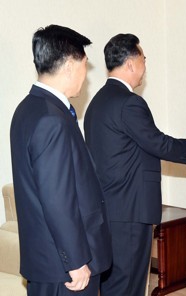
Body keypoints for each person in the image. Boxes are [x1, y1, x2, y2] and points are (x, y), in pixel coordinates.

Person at [84, 34, 186, 295]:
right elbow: (156, 142)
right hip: (130, 210)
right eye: (144, 59)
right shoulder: (129, 102)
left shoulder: (97, 102)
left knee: (114, 281)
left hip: (109, 208)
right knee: (129, 284)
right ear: (131, 63)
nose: (145, 67)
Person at [10, 24, 112, 295]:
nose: (85, 75)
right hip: (65, 269)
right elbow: (57, 199)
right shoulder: (51, 119)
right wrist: (77, 260)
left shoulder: (28, 109)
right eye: (85, 65)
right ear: (69, 65)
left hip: (48, 261)